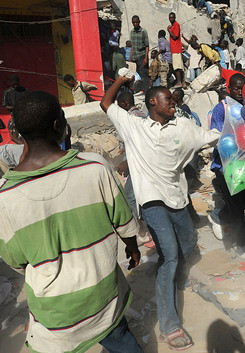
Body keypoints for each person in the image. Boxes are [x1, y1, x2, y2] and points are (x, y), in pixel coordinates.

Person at [0, 91, 143, 353]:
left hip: (55, 313)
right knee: (122, 341)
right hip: (103, 297)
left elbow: (16, 259)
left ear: (18, 134)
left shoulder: (5, 195)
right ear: (59, 125)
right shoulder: (95, 168)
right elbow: (124, 223)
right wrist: (133, 248)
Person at [101, 76, 220, 350]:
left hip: (177, 199)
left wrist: (241, 131)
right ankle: (170, 325)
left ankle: (167, 276)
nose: (173, 103)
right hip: (152, 202)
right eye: (168, 99)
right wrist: (121, 79)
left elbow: (211, 137)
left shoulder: (183, 125)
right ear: (153, 102)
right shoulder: (134, 126)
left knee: (188, 245)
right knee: (169, 255)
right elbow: (105, 103)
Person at [207, 73, 245, 249]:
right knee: (237, 206)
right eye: (236, 88)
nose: (239, 91)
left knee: (242, 202)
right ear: (229, 88)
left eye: (242, 88)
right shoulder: (221, 109)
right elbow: (217, 134)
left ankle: (218, 215)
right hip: (224, 166)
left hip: (243, 164)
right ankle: (240, 241)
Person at [129, 15, 150, 90]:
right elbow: (132, 46)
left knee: (144, 74)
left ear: (139, 22)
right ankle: (141, 89)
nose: (135, 24)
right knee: (137, 74)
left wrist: (146, 58)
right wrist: (130, 58)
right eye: (134, 22)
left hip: (142, 56)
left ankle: (147, 90)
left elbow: (147, 45)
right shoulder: (132, 32)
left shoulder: (143, 31)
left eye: (136, 22)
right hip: (134, 57)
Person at [168, 12, 186, 88]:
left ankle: (179, 82)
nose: (170, 19)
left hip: (176, 49)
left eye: (172, 17)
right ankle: (182, 82)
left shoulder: (176, 25)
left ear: (174, 18)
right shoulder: (173, 26)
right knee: (178, 66)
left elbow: (175, 37)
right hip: (174, 49)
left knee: (177, 67)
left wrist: (169, 31)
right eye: (170, 17)